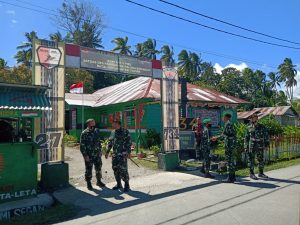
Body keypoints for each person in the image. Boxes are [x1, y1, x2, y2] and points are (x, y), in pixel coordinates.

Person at [105, 120, 132, 192]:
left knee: (123, 169)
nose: (113, 125)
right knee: (115, 169)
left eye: (114, 124)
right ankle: (119, 184)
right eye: (112, 124)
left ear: (118, 124)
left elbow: (129, 142)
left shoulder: (125, 131)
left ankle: (127, 185)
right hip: (115, 154)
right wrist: (107, 152)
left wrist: (128, 153)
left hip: (122, 154)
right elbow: (110, 142)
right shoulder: (113, 132)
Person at [80, 118, 105, 190]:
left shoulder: (96, 131)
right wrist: (85, 155)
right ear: (88, 124)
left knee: (98, 168)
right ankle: (89, 183)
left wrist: (100, 151)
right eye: (92, 123)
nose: (94, 124)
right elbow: (82, 145)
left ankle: (99, 181)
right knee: (88, 169)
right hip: (89, 155)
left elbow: (99, 142)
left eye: (94, 122)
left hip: (97, 154)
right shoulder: (84, 133)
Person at [244, 113, 270, 180]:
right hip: (251, 145)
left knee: (260, 159)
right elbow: (246, 138)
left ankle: (261, 173)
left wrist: (267, 145)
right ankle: (251, 174)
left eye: (254, 118)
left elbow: (266, 136)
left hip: (260, 144)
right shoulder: (248, 127)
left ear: (257, 118)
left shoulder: (262, 127)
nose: (253, 119)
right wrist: (245, 147)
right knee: (251, 160)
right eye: (252, 118)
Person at [216, 113, 236, 183]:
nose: (222, 118)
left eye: (223, 117)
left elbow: (225, 135)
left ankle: (230, 178)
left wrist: (216, 138)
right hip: (231, 145)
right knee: (231, 161)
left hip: (229, 145)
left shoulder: (228, 124)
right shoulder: (229, 124)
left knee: (229, 161)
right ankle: (233, 177)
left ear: (226, 117)